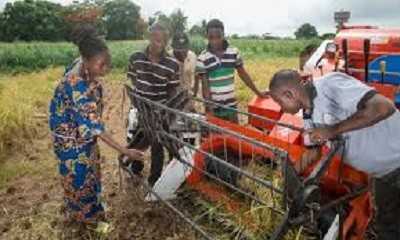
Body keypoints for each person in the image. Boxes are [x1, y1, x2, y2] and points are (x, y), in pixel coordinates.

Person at [268, 69, 400, 239]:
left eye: (280, 103)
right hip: (382, 172)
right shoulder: (308, 115)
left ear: (289, 94)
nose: (282, 109)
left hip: (396, 159)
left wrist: (332, 130)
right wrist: (286, 177)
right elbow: (313, 152)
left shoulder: (330, 84)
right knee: (387, 225)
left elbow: (383, 107)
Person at [49, 25, 144, 225]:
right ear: (85, 61)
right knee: (80, 178)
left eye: (107, 63)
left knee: (91, 174)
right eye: (101, 65)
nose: (106, 69)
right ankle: (89, 223)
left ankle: (88, 208)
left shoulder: (82, 65)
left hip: (82, 137)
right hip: (72, 144)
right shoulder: (76, 86)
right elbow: (96, 128)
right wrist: (125, 151)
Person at [127, 23, 180, 186]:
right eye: (155, 39)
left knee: (157, 146)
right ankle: (135, 168)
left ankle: (154, 181)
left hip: (159, 112)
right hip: (140, 108)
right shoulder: (136, 57)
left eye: (161, 41)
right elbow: (133, 78)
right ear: (149, 37)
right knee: (136, 140)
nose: (158, 43)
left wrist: (169, 112)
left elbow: (172, 90)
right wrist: (141, 97)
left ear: (166, 42)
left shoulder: (172, 64)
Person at [195, 19, 268, 122]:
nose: (215, 41)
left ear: (223, 35)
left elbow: (243, 75)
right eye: (211, 38)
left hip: (231, 106)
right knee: (216, 136)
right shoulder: (202, 58)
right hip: (214, 108)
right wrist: (210, 110)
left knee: (233, 134)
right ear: (207, 36)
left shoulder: (233, 52)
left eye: (218, 37)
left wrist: (258, 92)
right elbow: (205, 88)